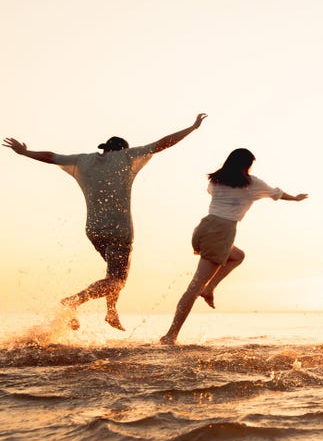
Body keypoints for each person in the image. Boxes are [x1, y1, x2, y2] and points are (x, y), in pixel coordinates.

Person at [3, 114, 207, 331]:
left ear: (105, 149)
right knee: (118, 279)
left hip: (93, 229)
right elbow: (162, 143)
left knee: (112, 274)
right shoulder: (127, 157)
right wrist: (192, 128)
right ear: (122, 150)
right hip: (119, 229)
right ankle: (73, 301)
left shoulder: (83, 160)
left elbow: (52, 156)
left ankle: (111, 311)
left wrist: (24, 152)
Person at [159, 148, 307, 345]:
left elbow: (212, 193)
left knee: (237, 256)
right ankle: (170, 335)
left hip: (204, 227)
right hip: (222, 232)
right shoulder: (252, 183)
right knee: (194, 287)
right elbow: (276, 194)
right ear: (247, 166)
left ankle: (209, 289)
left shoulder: (215, 180)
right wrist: (295, 198)